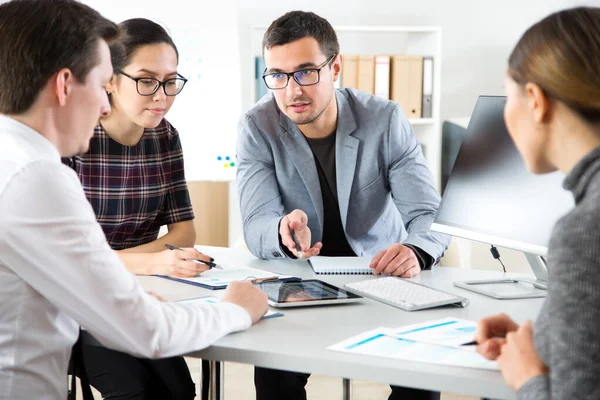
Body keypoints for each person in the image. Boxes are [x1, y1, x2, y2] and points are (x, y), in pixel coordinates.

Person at [0, 1, 268, 399]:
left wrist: (118, 291)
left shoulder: (13, 156)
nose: (104, 106)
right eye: (100, 84)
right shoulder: (38, 178)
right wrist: (237, 308)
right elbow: (147, 333)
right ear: (64, 85)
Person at [236, 10, 450, 400]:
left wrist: (416, 250)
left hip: (380, 275)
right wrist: (282, 231)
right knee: (274, 378)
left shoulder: (383, 119)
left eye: (305, 72)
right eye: (277, 76)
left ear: (335, 67)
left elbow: (428, 213)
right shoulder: (257, 125)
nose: (291, 91)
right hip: (300, 281)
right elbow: (255, 223)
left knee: (423, 377)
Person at [62, 17, 206, 399]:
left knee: (179, 390)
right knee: (133, 391)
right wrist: (152, 261)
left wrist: (120, 262)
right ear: (109, 79)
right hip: (75, 303)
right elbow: (68, 258)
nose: (161, 96)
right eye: (146, 80)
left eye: (171, 80)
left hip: (138, 296)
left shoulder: (165, 137)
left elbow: (184, 233)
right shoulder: (74, 134)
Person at [474, 6, 600, 400]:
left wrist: (528, 375)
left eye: (508, 94)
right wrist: (545, 339)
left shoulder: (583, 231)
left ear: (535, 100)